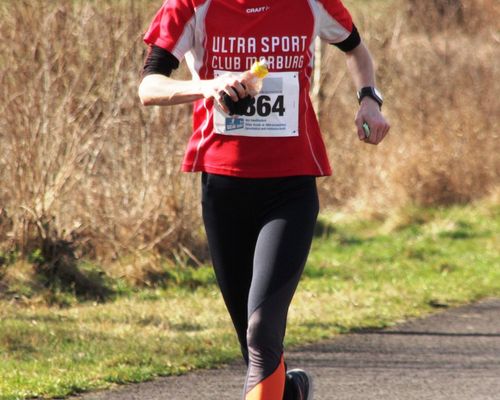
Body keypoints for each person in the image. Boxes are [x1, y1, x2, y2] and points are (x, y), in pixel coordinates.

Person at [138, 1, 390, 399]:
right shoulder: (191, 5)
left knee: (261, 331)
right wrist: (208, 86)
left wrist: (369, 100)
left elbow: (355, 49)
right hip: (224, 190)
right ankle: (289, 392)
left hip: (290, 190)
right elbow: (149, 86)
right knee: (254, 345)